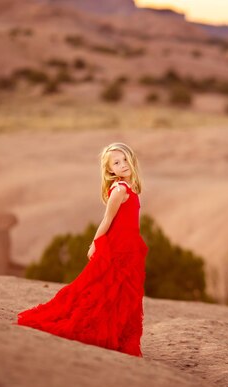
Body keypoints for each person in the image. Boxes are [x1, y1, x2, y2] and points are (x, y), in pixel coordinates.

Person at [16, 142, 148, 357]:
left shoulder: (131, 188)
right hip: (117, 249)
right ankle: (97, 331)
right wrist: (95, 243)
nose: (122, 164)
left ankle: (117, 335)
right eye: (116, 162)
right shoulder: (119, 190)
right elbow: (107, 219)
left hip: (130, 248)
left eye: (125, 160)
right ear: (109, 170)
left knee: (123, 295)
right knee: (102, 290)